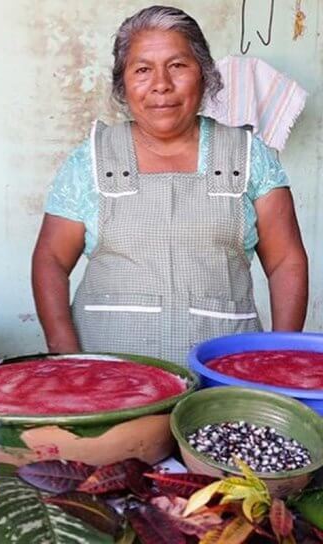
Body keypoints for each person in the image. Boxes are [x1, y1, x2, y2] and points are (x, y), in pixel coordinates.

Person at [31, 5, 308, 366]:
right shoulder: (91, 161)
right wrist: (66, 353)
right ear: (123, 83)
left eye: (178, 65)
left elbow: (286, 261)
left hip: (221, 374)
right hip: (108, 373)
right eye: (143, 69)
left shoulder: (249, 157)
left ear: (205, 75)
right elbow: (50, 260)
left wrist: (280, 356)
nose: (161, 84)